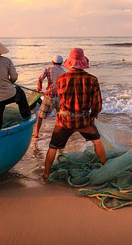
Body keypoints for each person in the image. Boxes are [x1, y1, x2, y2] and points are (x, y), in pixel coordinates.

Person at [43, 48, 106, 181]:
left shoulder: (61, 79)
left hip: (64, 120)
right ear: (83, 62)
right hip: (83, 119)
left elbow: (60, 98)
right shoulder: (92, 79)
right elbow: (97, 104)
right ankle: (105, 168)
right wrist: (92, 116)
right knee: (97, 142)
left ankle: (46, 174)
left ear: (69, 63)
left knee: (53, 146)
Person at [34, 54, 66, 138]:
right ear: (61, 63)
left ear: (52, 62)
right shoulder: (63, 71)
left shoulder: (48, 69)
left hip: (49, 96)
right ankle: (59, 134)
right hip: (59, 97)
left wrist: (39, 89)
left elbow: (40, 79)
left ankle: (36, 134)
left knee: (40, 116)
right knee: (58, 116)